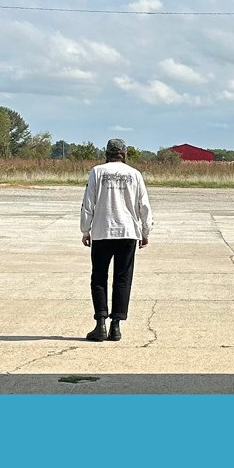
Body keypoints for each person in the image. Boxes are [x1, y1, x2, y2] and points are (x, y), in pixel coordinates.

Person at [79, 138, 153, 342]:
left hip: (103, 231)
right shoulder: (134, 174)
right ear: (124, 153)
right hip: (127, 232)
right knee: (122, 278)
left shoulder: (97, 172)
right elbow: (144, 205)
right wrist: (145, 231)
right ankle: (116, 325)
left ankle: (100, 323)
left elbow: (88, 203)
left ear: (107, 153)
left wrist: (85, 229)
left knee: (99, 278)